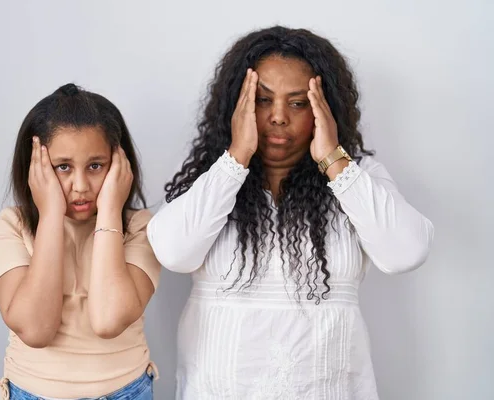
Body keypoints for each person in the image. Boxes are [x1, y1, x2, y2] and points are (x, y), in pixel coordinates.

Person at [147, 26, 434, 399]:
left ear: (324, 111)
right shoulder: (212, 180)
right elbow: (173, 252)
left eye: (298, 103)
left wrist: (335, 162)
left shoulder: (356, 178)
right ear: (238, 106)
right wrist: (236, 158)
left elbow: (405, 253)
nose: (278, 117)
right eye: (263, 101)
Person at [0, 83, 160, 400]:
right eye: (63, 167)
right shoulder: (12, 225)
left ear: (119, 164)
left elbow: (109, 321)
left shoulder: (140, 227)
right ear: (35, 167)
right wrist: (51, 214)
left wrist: (109, 211)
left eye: (95, 166)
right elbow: (36, 330)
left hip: (127, 391)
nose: (80, 186)